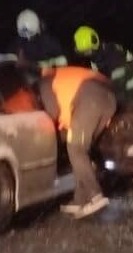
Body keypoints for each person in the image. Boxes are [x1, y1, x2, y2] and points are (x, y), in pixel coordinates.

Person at [37, 65, 117, 218]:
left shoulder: (44, 85)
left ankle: (95, 195)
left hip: (90, 98)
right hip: (108, 99)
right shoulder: (56, 76)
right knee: (79, 150)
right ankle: (80, 199)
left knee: (75, 148)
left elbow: (52, 111)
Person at [72, 25, 133, 95]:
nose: (85, 54)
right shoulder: (96, 59)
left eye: (87, 50)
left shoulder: (111, 53)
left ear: (94, 45)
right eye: (83, 52)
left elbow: (119, 78)